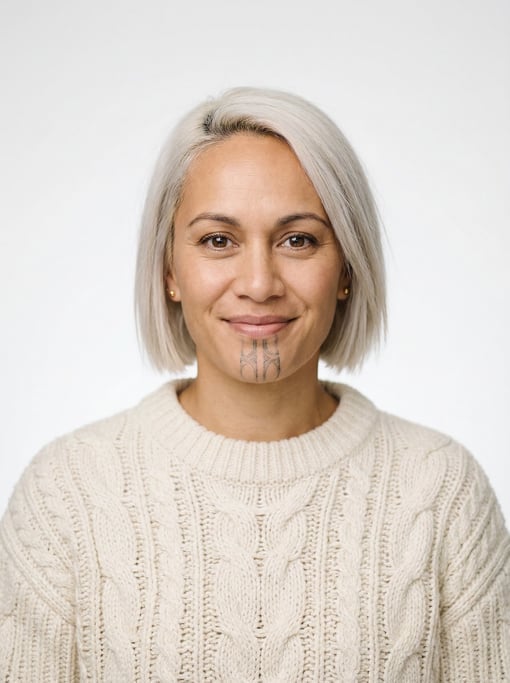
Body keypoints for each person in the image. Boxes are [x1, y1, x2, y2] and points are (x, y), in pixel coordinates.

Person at [0, 87, 508, 682]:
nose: (260, 282)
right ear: (169, 270)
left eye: (299, 240)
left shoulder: (441, 492)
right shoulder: (68, 495)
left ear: (347, 269)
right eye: (219, 240)